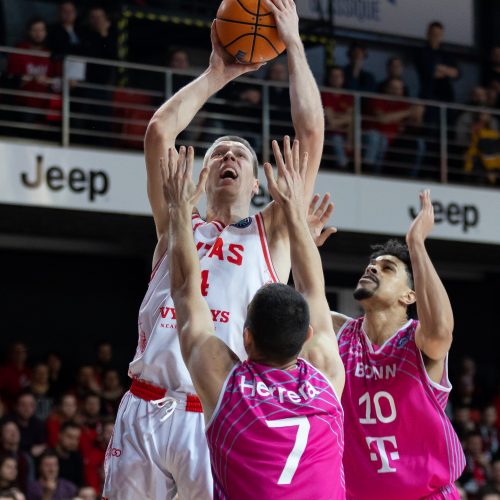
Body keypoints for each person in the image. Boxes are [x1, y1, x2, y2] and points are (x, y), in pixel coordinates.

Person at [103, 0, 325, 497]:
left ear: (255, 180)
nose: (228, 155)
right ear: (203, 176)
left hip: (218, 411)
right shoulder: (176, 223)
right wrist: (216, 73)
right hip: (144, 407)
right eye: (218, 151)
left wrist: (294, 46)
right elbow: (160, 132)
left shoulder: (273, 232)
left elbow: (310, 136)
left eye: (240, 153)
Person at [164, 138, 344, 498]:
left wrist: (179, 211)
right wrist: (294, 213)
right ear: (308, 336)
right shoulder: (327, 377)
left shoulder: (228, 388)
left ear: (244, 338)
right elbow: (313, 290)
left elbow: (185, 290)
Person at [332, 190, 466, 498]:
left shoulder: (418, 341)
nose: (372, 268)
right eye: (372, 265)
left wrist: (416, 244)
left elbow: (442, 330)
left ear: (409, 296)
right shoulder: (340, 332)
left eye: (387, 268)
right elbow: (308, 298)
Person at [415, 21, 460, 104]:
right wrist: (447, 71)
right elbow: (430, 72)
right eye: (433, 34)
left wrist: (440, 68)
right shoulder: (421, 53)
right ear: (428, 34)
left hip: (447, 96)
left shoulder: (447, 55)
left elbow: (457, 73)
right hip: (428, 96)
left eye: (438, 34)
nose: (436, 37)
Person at [321, 65, 354, 169]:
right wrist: (346, 119)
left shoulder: (348, 97)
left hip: (344, 134)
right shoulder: (324, 94)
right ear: (329, 78)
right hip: (328, 134)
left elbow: (351, 122)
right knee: (336, 139)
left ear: (343, 78)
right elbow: (331, 122)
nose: (336, 78)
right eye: (333, 76)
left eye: (339, 76)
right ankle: (344, 167)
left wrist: (350, 140)